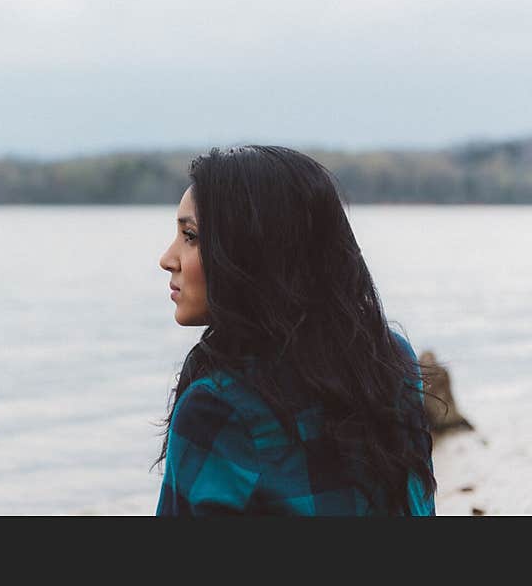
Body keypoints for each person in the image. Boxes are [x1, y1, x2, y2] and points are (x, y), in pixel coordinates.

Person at [154, 145, 436, 516]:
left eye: (190, 236)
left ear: (249, 250)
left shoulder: (217, 410)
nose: (167, 259)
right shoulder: (387, 361)